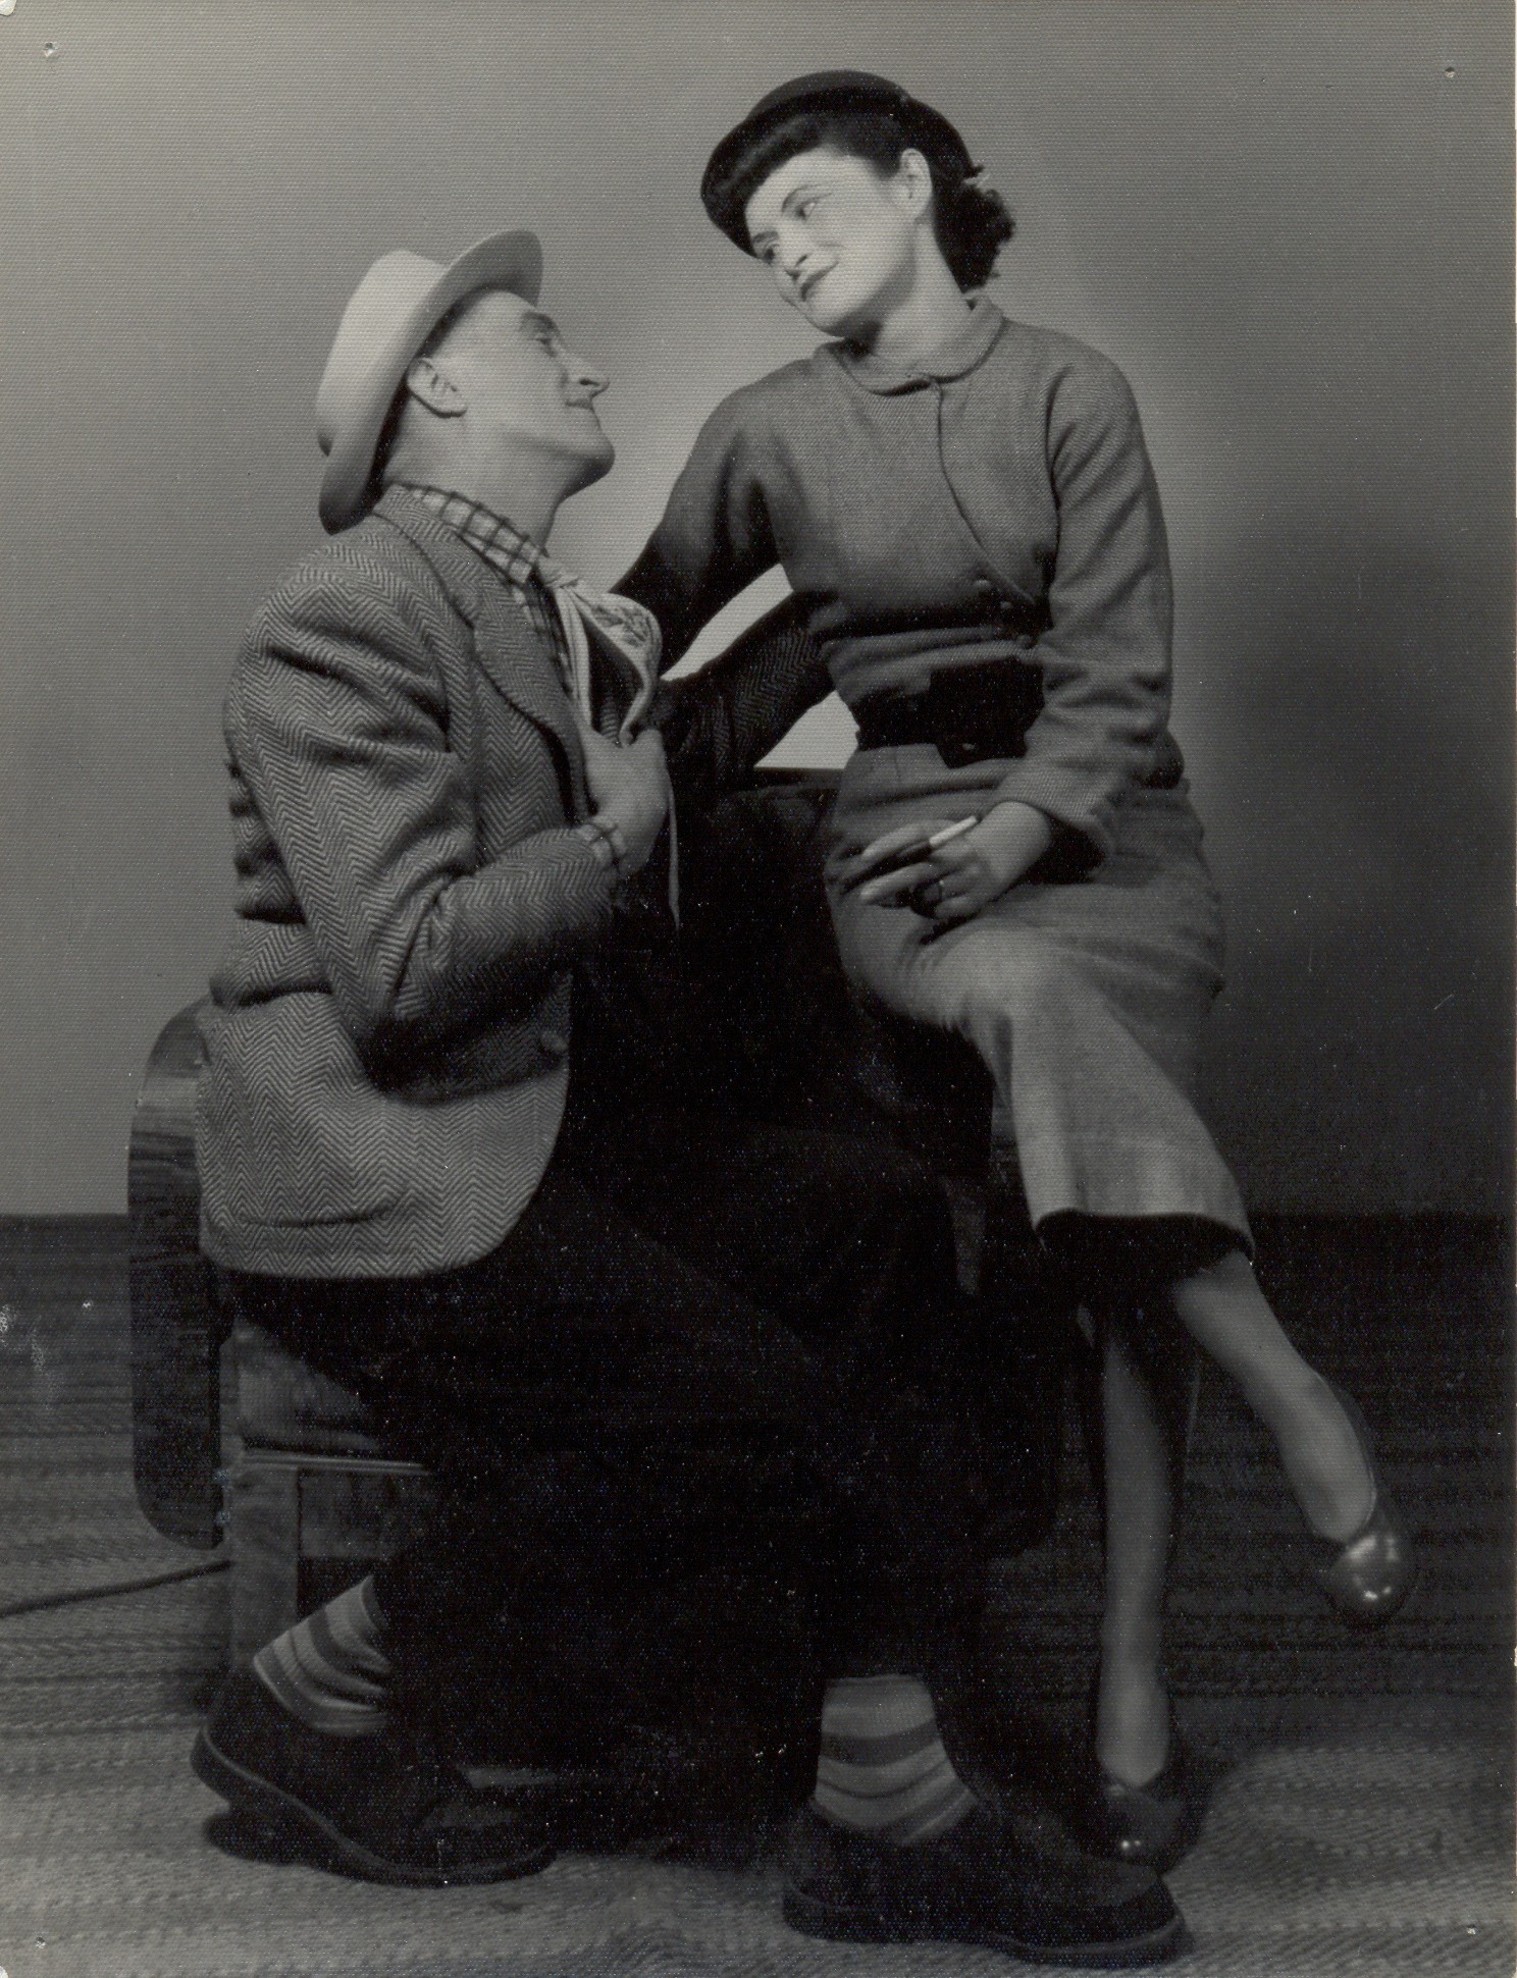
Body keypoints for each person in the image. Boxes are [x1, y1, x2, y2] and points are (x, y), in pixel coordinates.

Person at [189, 229, 1185, 1966]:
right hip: (383, 1174)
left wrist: (875, 588)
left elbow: (696, 726)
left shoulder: (545, 611)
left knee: (877, 1221)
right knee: (754, 1416)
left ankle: (880, 1780)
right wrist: (616, 837)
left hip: (529, 1126)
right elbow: (404, 964)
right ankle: (315, 1691)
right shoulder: (342, 614)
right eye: (542, 339)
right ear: (439, 386)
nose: (584, 364)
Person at [620, 69, 1418, 1878]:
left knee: (1103, 1245)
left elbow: (1119, 672)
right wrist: (586, 717)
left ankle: (1131, 1679)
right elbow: (645, 628)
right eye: (758, 242)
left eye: (809, 207)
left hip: (1111, 838)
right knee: (1019, 1001)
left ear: (914, 185)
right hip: (904, 850)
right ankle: (1294, 1394)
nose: (784, 254)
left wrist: (1029, 827)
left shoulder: (1071, 392)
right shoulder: (762, 429)